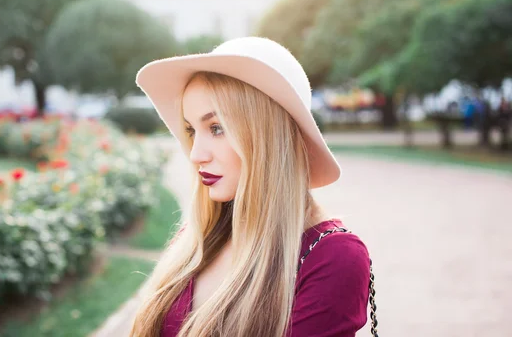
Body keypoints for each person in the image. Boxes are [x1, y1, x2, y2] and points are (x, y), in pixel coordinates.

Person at [129, 37, 376, 337]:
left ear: (267, 136)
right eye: (192, 130)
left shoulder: (332, 258)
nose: (196, 154)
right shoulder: (193, 239)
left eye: (217, 128)